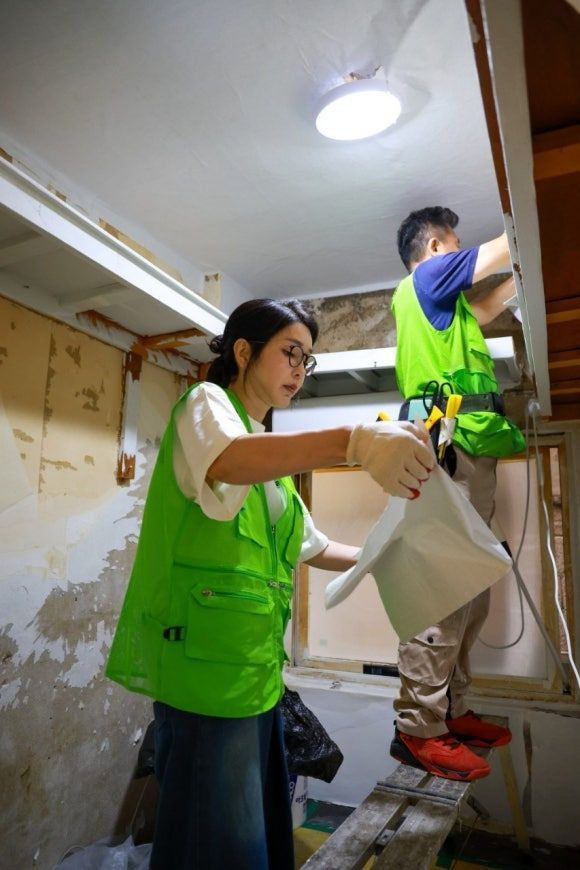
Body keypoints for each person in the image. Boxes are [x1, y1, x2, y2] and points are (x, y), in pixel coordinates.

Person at [106, 298, 433, 869]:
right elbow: (228, 461)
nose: (299, 371)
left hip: (254, 675)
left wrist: (389, 555)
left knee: (240, 836)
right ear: (243, 351)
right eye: (290, 353)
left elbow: (314, 546)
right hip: (206, 678)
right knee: (221, 846)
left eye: (308, 360)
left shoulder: (271, 462)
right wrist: (353, 441)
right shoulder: (207, 407)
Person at [389, 207, 526, 782]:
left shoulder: (453, 311)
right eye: (457, 245)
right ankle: (416, 728)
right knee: (444, 591)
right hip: (445, 446)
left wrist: (527, 276)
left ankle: (450, 710)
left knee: (473, 592)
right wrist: (525, 233)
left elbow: (490, 305)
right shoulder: (425, 278)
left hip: (467, 449)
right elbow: (497, 253)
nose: (462, 252)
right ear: (439, 246)